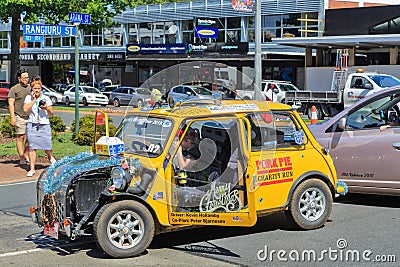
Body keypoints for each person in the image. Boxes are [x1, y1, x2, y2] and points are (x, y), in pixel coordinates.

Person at [23, 75, 56, 177]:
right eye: (34, 88)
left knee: (47, 145)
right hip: (32, 125)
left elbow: (51, 113)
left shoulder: (45, 98)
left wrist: (46, 108)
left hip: (44, 124)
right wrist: (33, 100)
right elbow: (25, 109)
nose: (37, 90)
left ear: (41, 89)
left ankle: (50, 157)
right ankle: (32, 169)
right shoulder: (28, 97)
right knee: (32, 147)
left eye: (38, 88)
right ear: (31, 89)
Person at [8, 68, 31, 165]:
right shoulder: (14, 89)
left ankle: (26, 154)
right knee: (20, 136)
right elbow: (11, 104)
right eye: (24, 77)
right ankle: (21, 157)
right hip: (19, 116)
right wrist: (12, 117)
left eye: (27, 77)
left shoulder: (31, 88)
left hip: (30, 116)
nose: (27, 79)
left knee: (30, 138)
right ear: (19, 78)